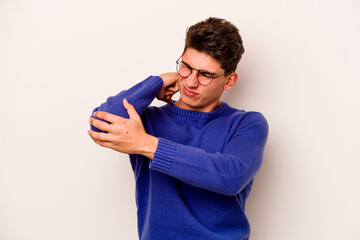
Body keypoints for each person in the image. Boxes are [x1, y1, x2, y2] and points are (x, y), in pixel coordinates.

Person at [88, 17, 268, 240]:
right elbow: (100, 124)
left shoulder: (247, 123)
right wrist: (155, 84)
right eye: (186, 67)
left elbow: (230, 177)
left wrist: (145, 144)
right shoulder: (148, 120)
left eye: (205, 75)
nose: (190, 82)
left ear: (229, 81)